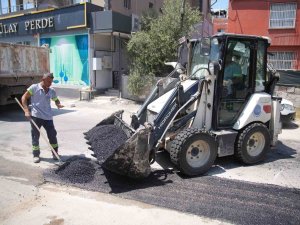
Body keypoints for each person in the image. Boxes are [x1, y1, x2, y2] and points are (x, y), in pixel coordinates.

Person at [21, 72, 64, 163]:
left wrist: (58, 104)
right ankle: (36, 155)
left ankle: (55, 153)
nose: (50, 83)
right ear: (43, 80)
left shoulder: (51, 90)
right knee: (35, 136)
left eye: (51, 81)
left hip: (48, 117)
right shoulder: (34, 88)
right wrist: (26, 110)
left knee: (52, 135)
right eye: (48, 81)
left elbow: (56, 99)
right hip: (36, 116)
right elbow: (24, 97)